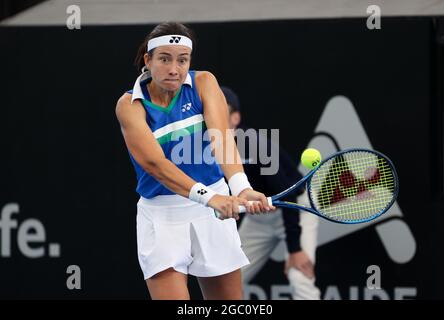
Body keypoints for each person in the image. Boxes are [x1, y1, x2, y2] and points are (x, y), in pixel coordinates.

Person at [115, 22, 275, 300]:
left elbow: (222, 139)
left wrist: (241, 188)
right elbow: (156, 165)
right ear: (148, 60)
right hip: (161, 217)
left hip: (211, 213)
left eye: (182, 60)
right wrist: (211, 198)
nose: (174, 69)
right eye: (164, 59)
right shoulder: (129, 106)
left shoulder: (204, 82)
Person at [221, 86, 321, 300]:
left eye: (223, 111)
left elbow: (288, 195)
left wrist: (295, 249)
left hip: (295, 209)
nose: (215, 117)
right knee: (227, 282)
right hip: (258, 218)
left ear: (235, 118)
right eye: (211, 111)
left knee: (300, 276)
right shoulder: (204, 148)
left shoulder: (256, 145)